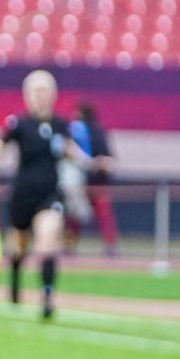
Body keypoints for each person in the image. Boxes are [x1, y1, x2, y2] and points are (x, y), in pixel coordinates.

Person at [0, 70, 81, 319]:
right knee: (19, 248)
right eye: (34, 92)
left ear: (53, 95)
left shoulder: (61, 125)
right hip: (22, 195)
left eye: (43, 91)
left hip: (50, 194)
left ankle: (47, 296)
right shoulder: (18, 124)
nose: (39, 97)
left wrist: (91, 161)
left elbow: (74, 152)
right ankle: (15, 284)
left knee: (48, 241)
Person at [65, 102, 119, 257]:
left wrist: (101, 163)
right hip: (78, 182)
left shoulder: (98, 131)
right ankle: (69, 245)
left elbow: (108, 158)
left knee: (103, 214)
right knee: (74, 215)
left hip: (97, 182)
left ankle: (110, 245)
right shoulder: (72, 131)